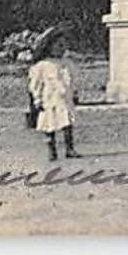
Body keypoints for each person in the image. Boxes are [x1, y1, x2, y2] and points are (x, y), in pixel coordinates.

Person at [27, 27, 79, 161]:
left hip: (64, 98)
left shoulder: (67, 63)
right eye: (58, 45)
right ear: (49, 47)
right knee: (49, 124)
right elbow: (36, 84)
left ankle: (69, 148)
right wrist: (37, 100)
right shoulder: (42, 66)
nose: (62, 49)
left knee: (67, 122)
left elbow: (72, 80)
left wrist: (74, 93)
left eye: (64, 45)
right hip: (49, 99)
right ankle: (52, 149)